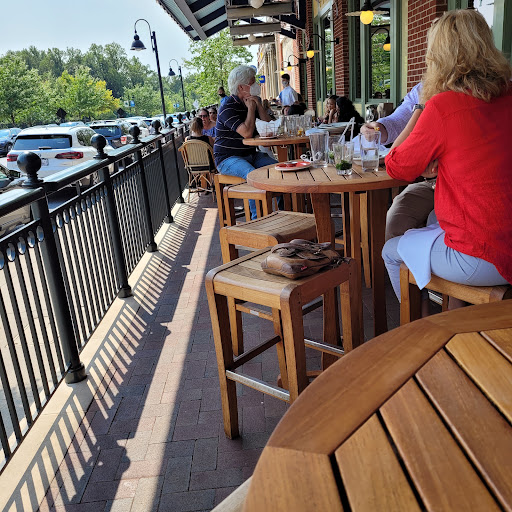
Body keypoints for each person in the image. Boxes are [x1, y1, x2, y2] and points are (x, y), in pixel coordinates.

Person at [382, 9, 512, 303]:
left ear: (439, 56)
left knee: (391, 252)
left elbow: (396, 166)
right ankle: (453, 314)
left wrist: (421, 106)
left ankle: (424, 327)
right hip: (502, 237)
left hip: (485, 255)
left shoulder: (443, 106)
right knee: (434, 220)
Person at [361, 81, 432, 242]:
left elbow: (396, 164)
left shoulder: (472, 94)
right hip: (432, 183)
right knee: (395, 222)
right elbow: (400, 118)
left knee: (437, 221)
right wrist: (378, 128)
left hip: (460, 186)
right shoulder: (424, 88)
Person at [214, 65, 277, 219]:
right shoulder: (227, 107)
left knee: (278, 170)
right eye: (252, 82)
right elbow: (247, 133)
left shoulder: (252, 102)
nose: (256, 85)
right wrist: (250, 110)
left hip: (250, 154)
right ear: (241, 87)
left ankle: (284, 213)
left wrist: (258, 106)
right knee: (252, 175)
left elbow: (270, 126)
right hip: (227, 158)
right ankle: (258, 221)